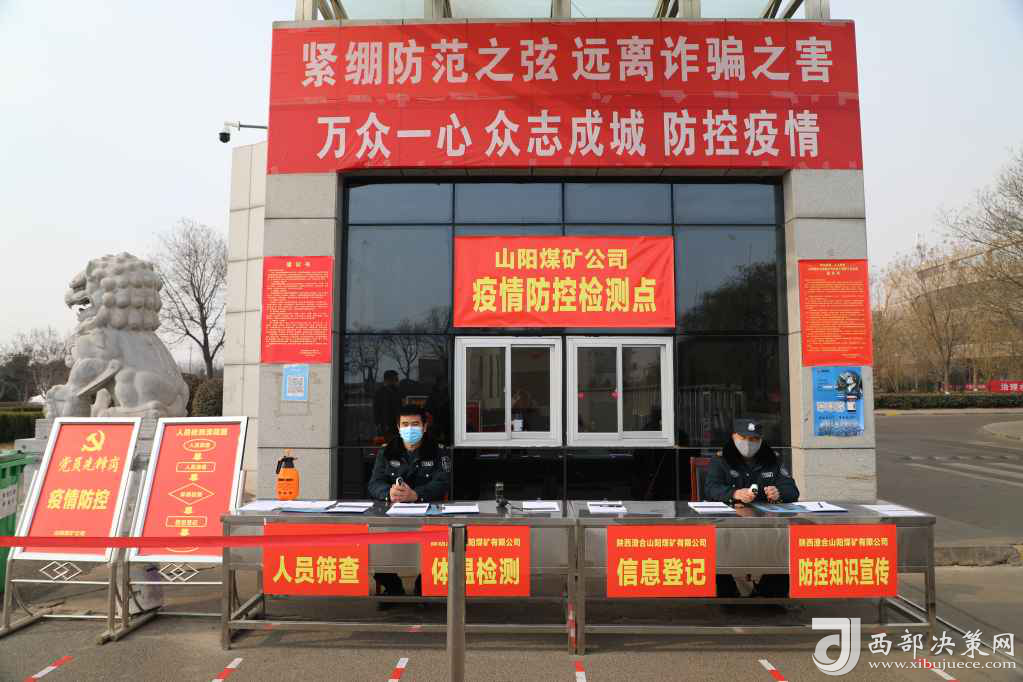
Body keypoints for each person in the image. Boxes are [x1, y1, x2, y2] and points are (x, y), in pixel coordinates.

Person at [703, 417, 799, 597]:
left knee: (785, 544)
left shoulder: (772, 459)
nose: (748, 443)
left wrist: (779, 492)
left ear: (761, 440)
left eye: (754, 439)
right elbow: (710, 489)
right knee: (715, 549)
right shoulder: (721, 459)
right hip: (728, 525)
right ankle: (727, 592)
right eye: (744, 438)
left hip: (767, 526)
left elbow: (792, 490)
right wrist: (734, 494)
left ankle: (769, 592)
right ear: (734, 437)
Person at [368, 405, 451, 598]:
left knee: (436, 547)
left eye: (415, 424)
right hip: (392, 514)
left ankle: (423, 588)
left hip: (428, 514)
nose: (410, 428)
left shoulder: (438, 452)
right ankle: (393, 588)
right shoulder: (387, 451)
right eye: (405, 424)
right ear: (398, 427)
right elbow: (374, 483)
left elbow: (442, 483)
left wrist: (416, 495)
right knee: (373, 544)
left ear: (424, 427)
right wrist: (388, 493)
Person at [372, 370, 402, 442]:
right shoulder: (380, 393)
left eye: (397, 379)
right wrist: (378, 424)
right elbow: (377, 410)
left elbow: (399, 408)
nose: (397, 381)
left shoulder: (397, 392)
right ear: (389, 380)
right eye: (395, 379)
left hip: (396, 425)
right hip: (386, 425)